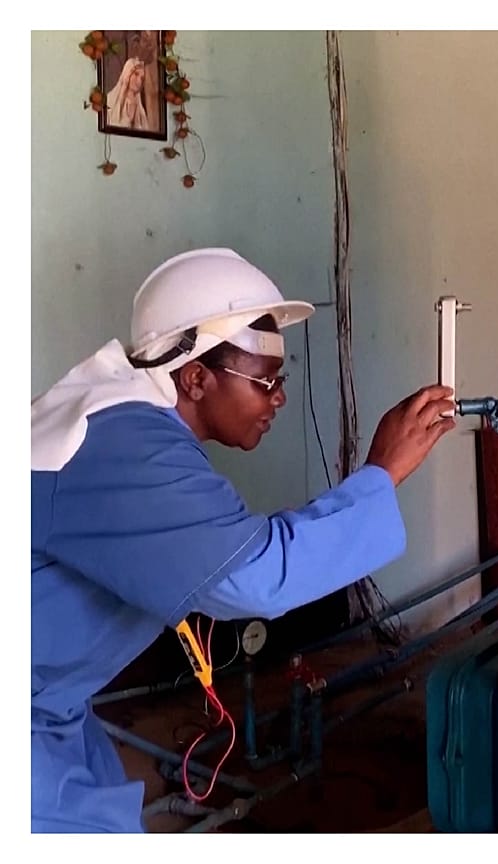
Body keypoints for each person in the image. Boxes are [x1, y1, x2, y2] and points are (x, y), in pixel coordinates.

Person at [31, 248, 457, 833]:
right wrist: (383, 472)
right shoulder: (125, 444)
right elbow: (252, 575)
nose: (279, 398)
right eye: (266, 381)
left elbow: (228, 539)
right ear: (196, 378)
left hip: (50, 702)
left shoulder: (126, 419)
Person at [105, 57, 152, 132]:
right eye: (136, 74)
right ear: (127, 73)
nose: (139, 81)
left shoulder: (140, 110)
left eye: (142, 78)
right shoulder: (110, 100)